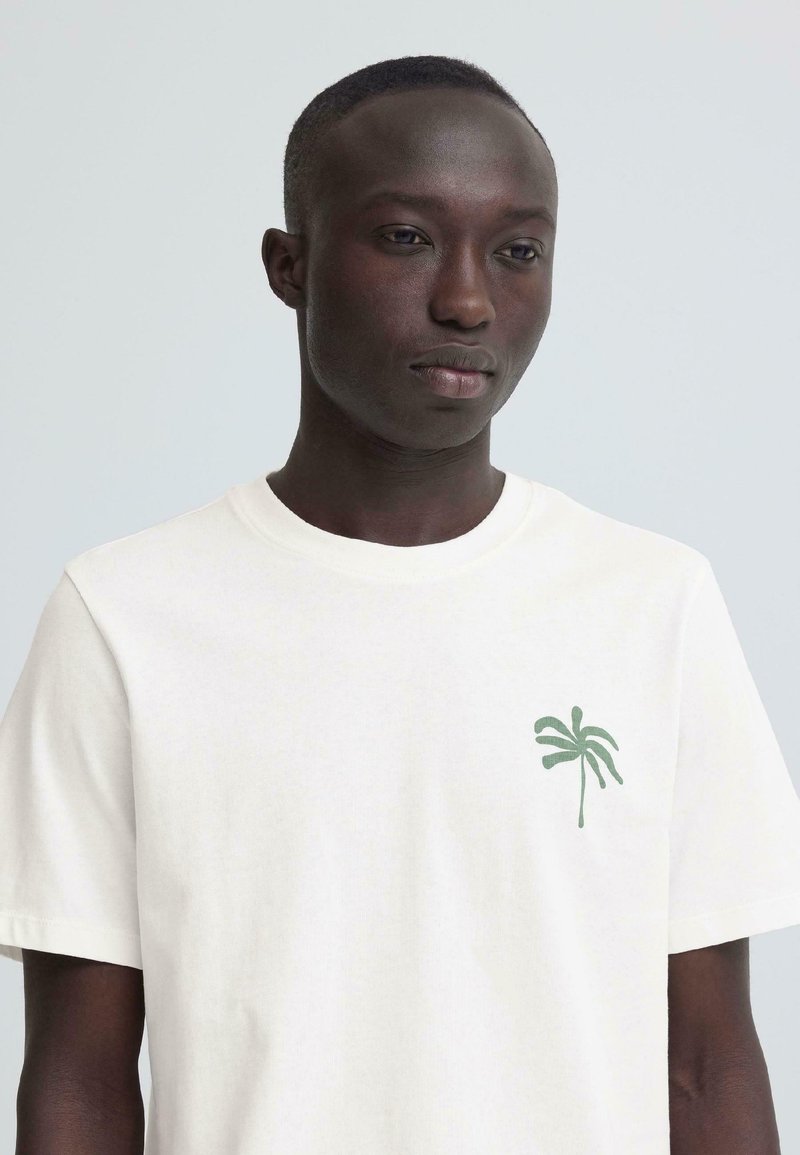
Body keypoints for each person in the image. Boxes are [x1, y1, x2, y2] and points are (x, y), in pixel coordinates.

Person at [2, 53, 799, 1155]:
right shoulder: (123, 619)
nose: (466, 300)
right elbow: (79, 1080)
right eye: (406, 237)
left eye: (517, 251)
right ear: (290, 265)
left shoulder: (652, 606)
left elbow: (704, 1065)